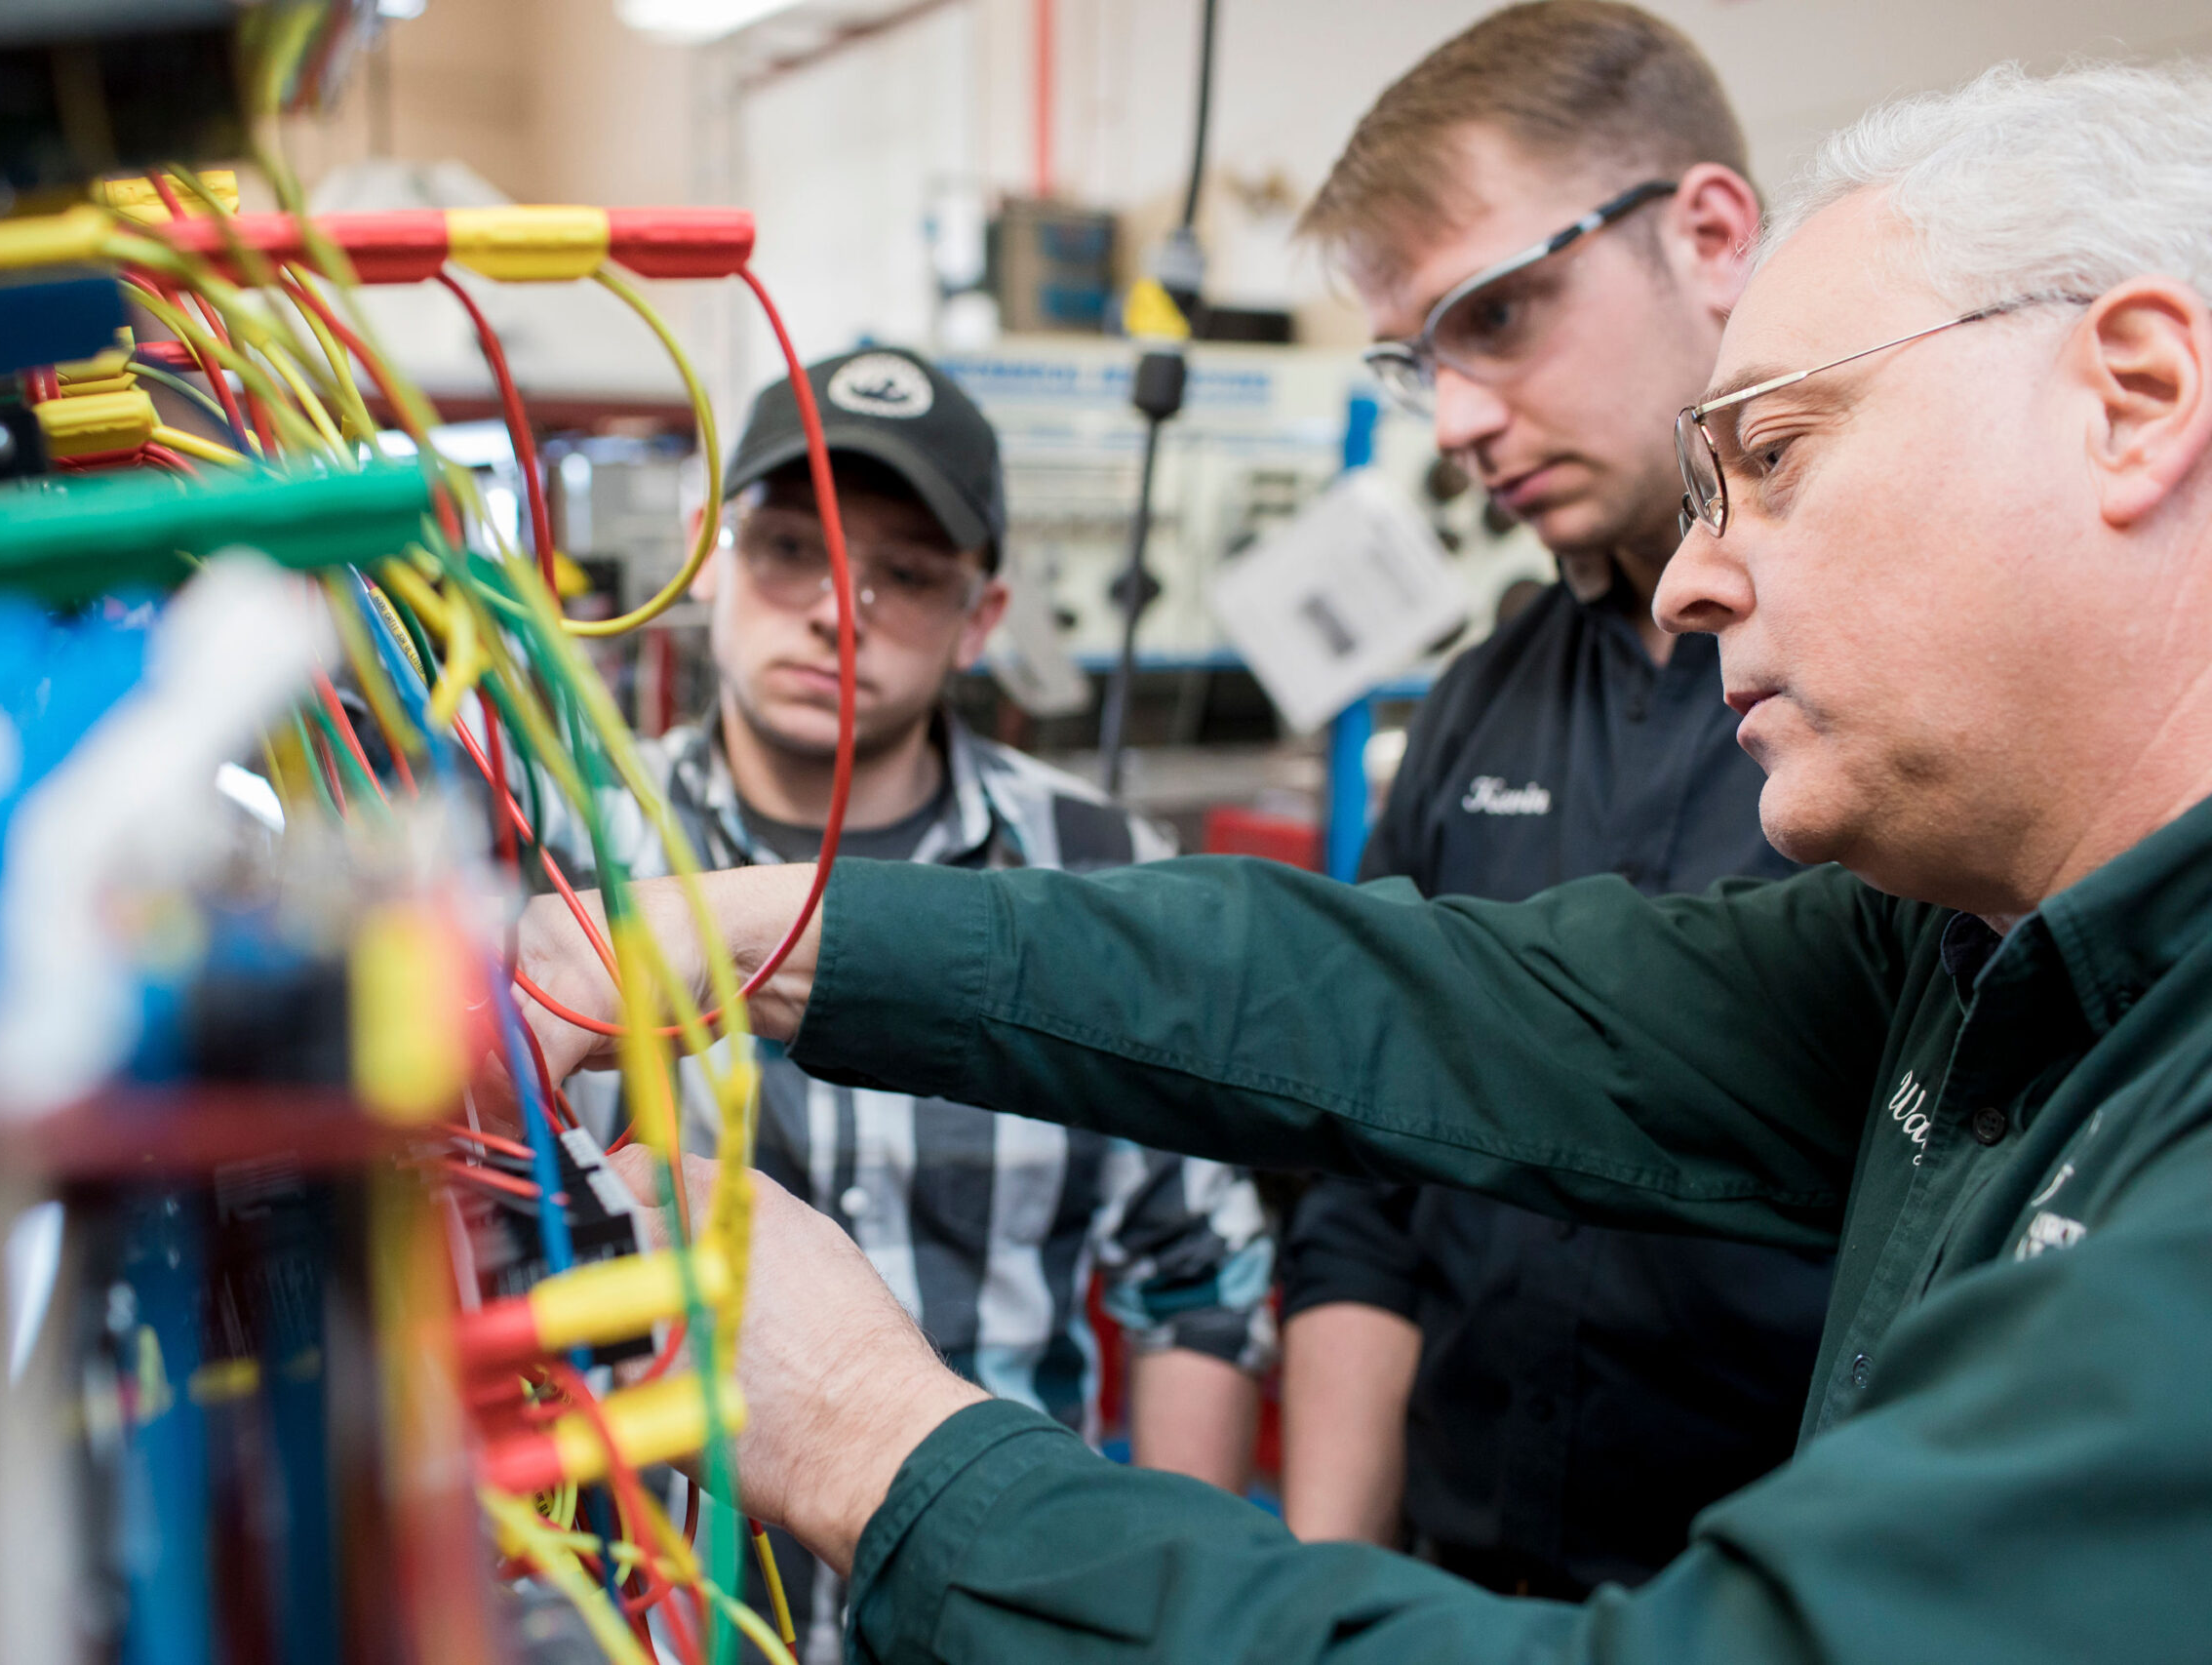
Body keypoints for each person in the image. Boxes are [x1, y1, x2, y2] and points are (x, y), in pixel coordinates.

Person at [523, 59, 2212, 1662]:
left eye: (1772, 456)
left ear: (2133, 401)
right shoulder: (1961, 953)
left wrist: (872, 1442)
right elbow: (1410, 1002)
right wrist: (747, 933)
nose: (1695, 581)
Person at [529, 345, 1273, 1656]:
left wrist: (1155, 1632)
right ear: (710, 558)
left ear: (982, 619)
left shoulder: (1102, 879)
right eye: (789, 549)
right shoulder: (563, 850)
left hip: (991, 1622)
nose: (839, 607)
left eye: (908, 576)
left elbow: (1198, 1282)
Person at [1274, 2, 1831, 1589]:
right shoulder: (1471, 709)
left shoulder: (1912, 703)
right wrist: (1331, 1591)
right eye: (1415, 358)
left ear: (1710, 233)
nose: (1449, 421)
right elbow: (1362, 1184)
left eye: (1499, 317)